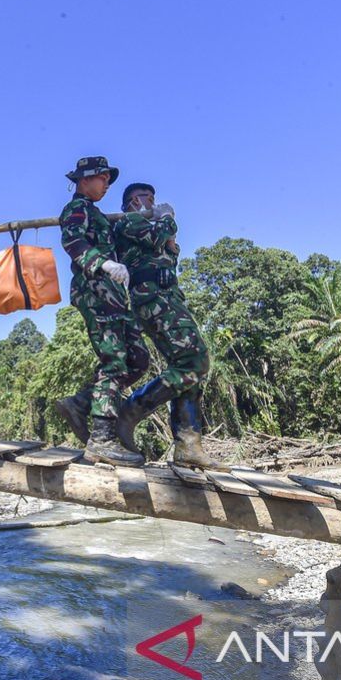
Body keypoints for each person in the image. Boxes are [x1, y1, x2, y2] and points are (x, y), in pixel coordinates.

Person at [114, 182, 223, 470]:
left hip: (169, 297)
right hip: (151, 298)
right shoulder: (128, 222)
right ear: (129, 204)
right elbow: (156, 237)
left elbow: (169, 253)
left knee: (189, 367)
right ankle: (129, 412)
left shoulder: (152, 223)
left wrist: (168, 234)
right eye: (143, 198)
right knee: (194, 361)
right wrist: (166, 220)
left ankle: (188, 446)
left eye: (152, 197)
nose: (150, 201)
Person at [58, 156, 151, 466]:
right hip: (94, 290)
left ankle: (81, 402)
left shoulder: (98, 213)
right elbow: (73, 242)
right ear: (85, 179)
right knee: (114, 360)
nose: (107, 184)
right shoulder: (77, 209)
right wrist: (104, 264)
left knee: (138, 360)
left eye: (109, 179)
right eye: (103, 178)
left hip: (114, 296)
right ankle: (101, 438)